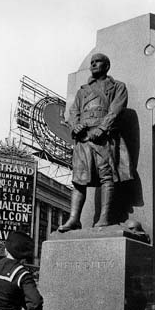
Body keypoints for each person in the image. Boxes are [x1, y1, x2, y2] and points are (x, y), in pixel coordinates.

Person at [58, 52, 133, 232]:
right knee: (78, 180)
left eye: (97, 62)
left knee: (107, 176)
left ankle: (104, 218)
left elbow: (115, 109)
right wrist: (74, 126)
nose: (93, 65)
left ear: (106, 66)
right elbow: (74, 111)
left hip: (103, 138)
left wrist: (103, 128)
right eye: (91, 62)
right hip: (83, 138)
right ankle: (74, 219)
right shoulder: (83, 90)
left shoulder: (118, 87)